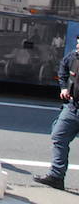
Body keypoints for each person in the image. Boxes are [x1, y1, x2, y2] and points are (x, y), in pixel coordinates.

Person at [32, 33, 79, 191]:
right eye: (78, 43)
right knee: (58, 136)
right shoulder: (72, 57)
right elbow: (63, 71)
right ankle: (56, 176)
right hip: (72, 106)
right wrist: (64, 87)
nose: (78, 47)